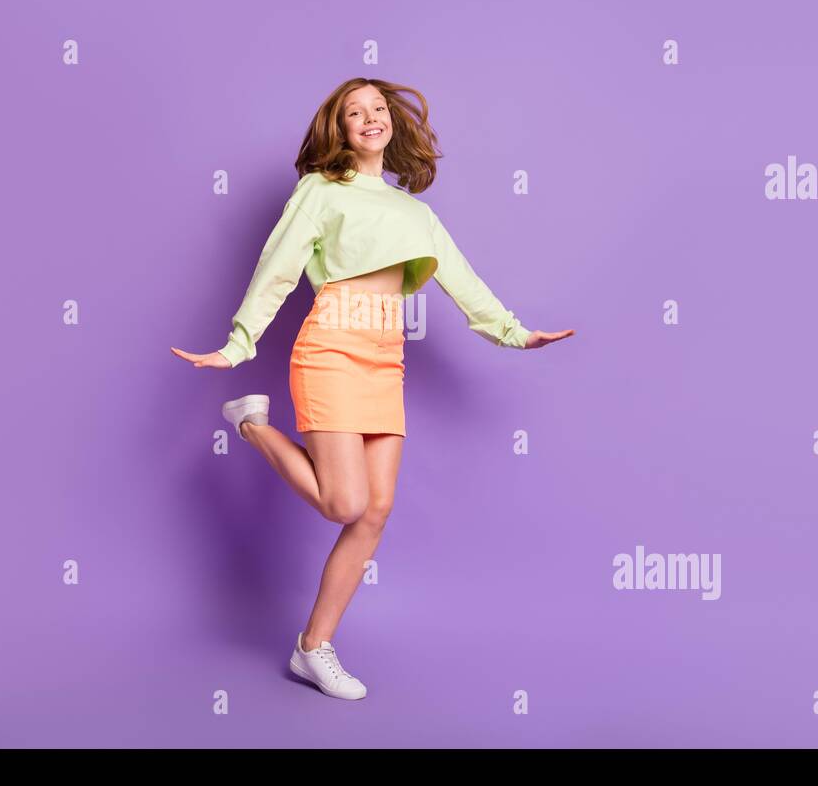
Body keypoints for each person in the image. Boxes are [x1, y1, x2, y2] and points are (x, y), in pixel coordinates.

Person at [171, 78, 573, 699]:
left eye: (378, 109)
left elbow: (463, 281)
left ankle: (313, 648)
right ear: (339, 129)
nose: (369, 119)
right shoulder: (320, 191)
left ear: (393, 123)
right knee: (343, 504)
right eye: (354, 112)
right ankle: (251, 424)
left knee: (375, 510)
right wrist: (238, 344)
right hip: (331, 344)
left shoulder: (415, 212)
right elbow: (276, 267)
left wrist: (514, 333)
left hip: (386, 355)